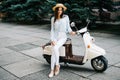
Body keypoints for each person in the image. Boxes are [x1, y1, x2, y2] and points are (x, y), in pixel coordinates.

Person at [49, 3, 76, 78]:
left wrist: (71, 32)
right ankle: (52, 69)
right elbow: (52, 30)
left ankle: (57, 65)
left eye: (61, 10)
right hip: (55, 37)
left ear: (62, 10)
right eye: (58, 10)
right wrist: (52, 39)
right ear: (56, 10)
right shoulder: (53, 19)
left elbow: (68, 27)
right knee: (53, 52)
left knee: (55, 48)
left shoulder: (66, 17)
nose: (59, 11)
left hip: (63, 37)